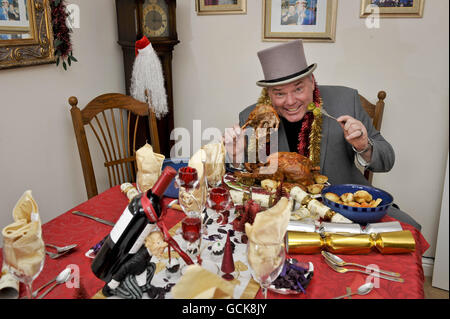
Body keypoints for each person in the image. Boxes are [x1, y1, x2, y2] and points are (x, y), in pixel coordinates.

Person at [224, 40, 422, 230]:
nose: (290, 101)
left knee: (409, 234)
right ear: (268, 93)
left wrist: (364, 146)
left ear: (312, 81)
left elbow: (386, 161)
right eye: (279, 93)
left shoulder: (346, 101)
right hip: (280, 217)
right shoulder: (252, 119)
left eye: (298, 88)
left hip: (346, 212)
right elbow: (241, 185)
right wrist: (235, 160)